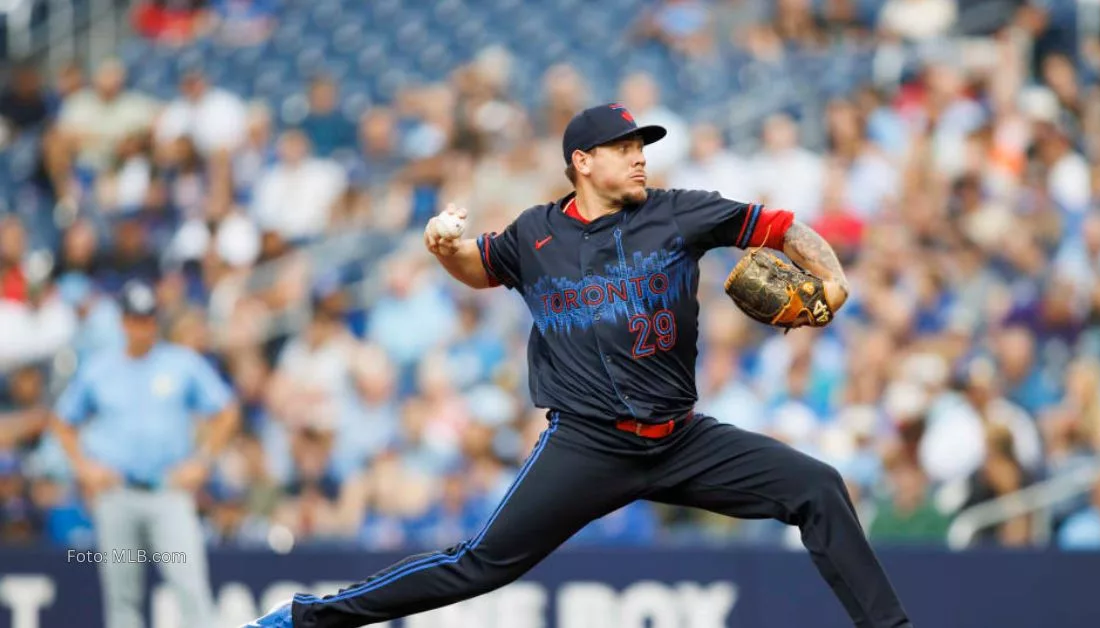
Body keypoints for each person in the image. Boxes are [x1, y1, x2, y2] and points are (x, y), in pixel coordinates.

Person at [246, 103, 913, 627]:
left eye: (642, 148)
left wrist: (831, 276)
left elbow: (782, 227)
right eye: (625, 149)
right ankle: (306, 619)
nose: (639, 159)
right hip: (588, 443)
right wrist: (441, 247)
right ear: (583, 162)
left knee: (817, 486)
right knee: (478, 564)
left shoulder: (678, 213)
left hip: (681, 438)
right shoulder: (535, 234)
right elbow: (478, 269)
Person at [50, 279, 241, 628]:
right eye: (136, 319)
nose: (143, 327)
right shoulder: (99, 367)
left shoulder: (180, 363)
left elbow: (226, 411)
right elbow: (63, 421)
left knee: (191, 590)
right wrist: (83, 466)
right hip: (116, 494)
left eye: (149, 318)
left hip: (168, 493)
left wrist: (203, 461)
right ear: (123, 322)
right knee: (122, 602)